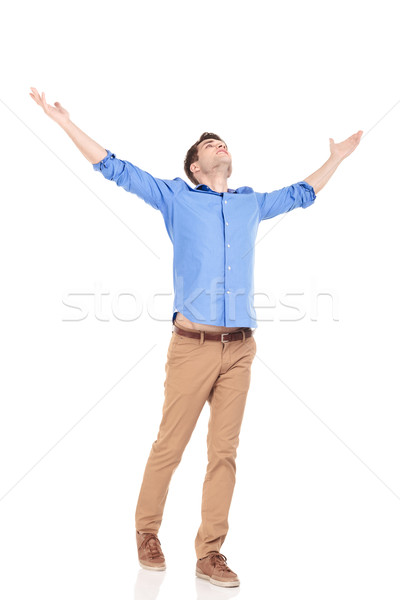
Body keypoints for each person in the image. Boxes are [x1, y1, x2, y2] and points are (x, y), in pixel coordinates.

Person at [29, 87, 363, 588]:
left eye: (223, 141)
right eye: (209, 143)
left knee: (224, 454)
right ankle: (146, 532)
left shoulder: (251, 204)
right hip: (191, 347)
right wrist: (65, 124)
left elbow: (302, 194)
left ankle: (210, 554)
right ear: (195, 167)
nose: (219, 144)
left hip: (241, 350)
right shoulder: (176, 198)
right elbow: (114, 168)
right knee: (170, 445)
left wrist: (334, 159)